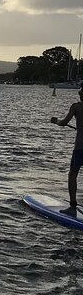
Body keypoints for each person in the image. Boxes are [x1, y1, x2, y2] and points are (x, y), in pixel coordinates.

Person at [51, 88, 83, 217]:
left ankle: (72, 207)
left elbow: (64, 122)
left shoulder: (76, 107)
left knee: (72, 175)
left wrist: (56, 121)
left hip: (80, 147)